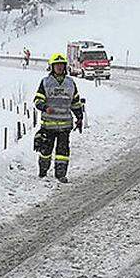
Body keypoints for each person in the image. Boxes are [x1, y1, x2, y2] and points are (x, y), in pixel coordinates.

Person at [34, 53, 84, 182]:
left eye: (62, 65)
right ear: (52, 67)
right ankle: (43, 172)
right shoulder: (45, 82)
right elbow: (38, 100)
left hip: (64, 126)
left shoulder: (70, 83)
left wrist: (79, 117)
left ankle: (61, 174)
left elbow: (75, 102)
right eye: (57, 65)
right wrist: (45, 107)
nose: (60, 67)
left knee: (63, 153)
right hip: (48, 125)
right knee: (46, 151)